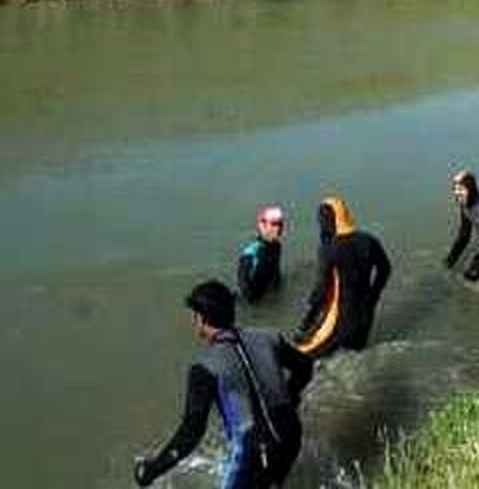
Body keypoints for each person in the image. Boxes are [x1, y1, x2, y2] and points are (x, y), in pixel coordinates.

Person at [134, 280, 312, 488]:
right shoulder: (269, 338)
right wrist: (291, 395)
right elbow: (305, 365)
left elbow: (191, 432)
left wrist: (152, 469)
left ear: (200, 318)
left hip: (253, 454)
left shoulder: (205, 369)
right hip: (290, 435)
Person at [294, 196, 391, 358]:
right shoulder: (369, 240)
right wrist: (373, 297)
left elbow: (321, 291)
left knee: (301, 357)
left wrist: (305, 324)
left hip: (340, 322)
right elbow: (385, 269)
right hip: (366, 318)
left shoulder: (329, 249)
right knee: (355, 359)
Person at [238, 206, 285, 304]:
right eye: (273, 224)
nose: (278, 228)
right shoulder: (251, 254)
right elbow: (244, 289)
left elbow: (276, 275)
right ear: (262, 226)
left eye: (280, 224)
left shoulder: (276, 246)